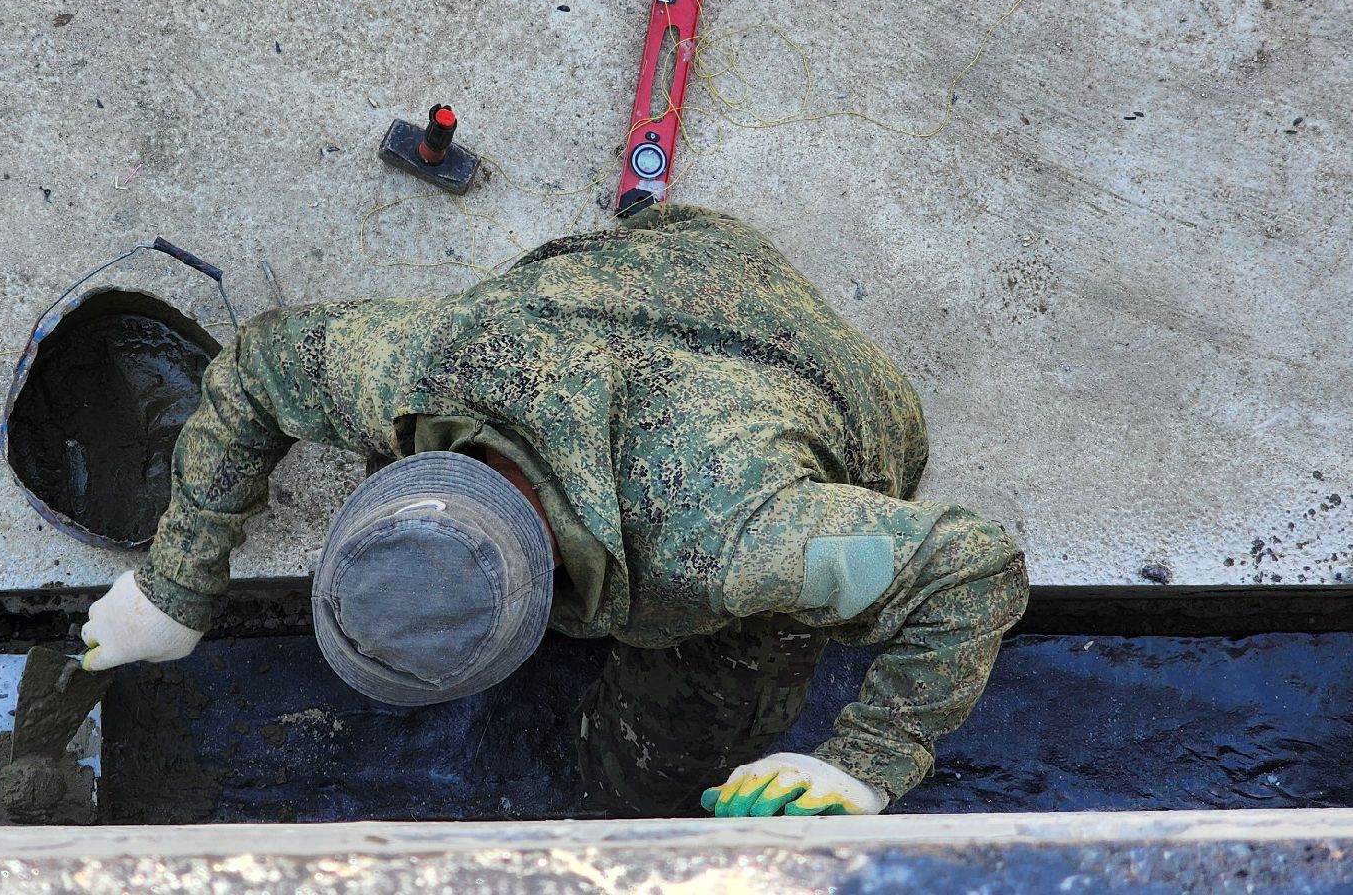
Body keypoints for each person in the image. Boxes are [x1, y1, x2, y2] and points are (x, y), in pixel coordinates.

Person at [78, 204, 1028, 817]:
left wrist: (864, 764)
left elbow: (973, 568)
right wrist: (175, 584)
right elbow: (253, 367)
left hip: (829, 396)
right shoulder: (415, 368)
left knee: (652, 780)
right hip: (676, 252)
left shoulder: (732, 544)